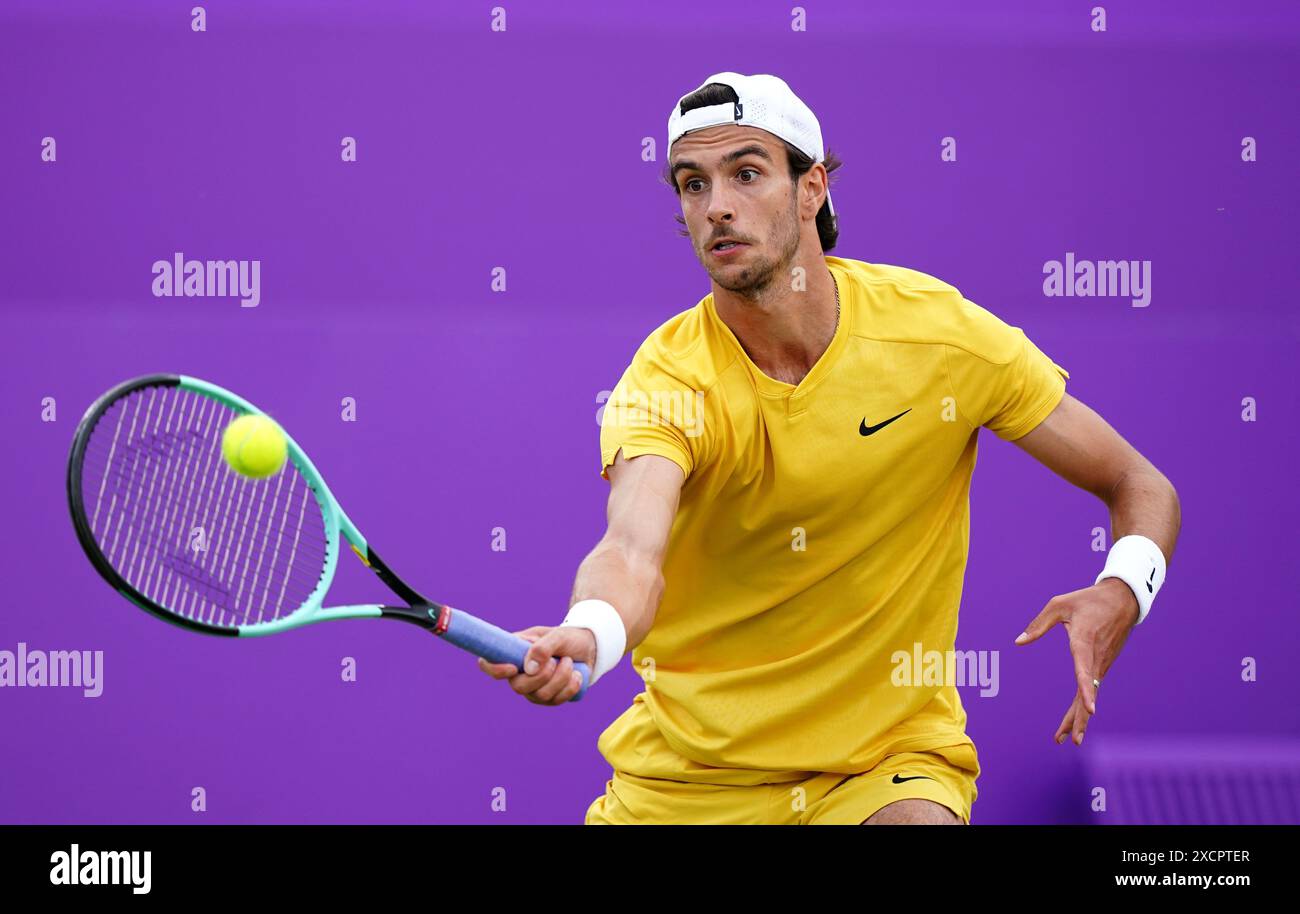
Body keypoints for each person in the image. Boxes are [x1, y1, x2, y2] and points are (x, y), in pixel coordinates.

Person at [478, 72, 1181, 825]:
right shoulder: (667, 378)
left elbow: (1138, 482)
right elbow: (631, 551)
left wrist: (1122, 589)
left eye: (746, 173)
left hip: (885, 766)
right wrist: (591, 632)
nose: (715, 205)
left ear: (811, 188)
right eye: (692, 183)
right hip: (691, 783)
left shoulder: (937, 337)